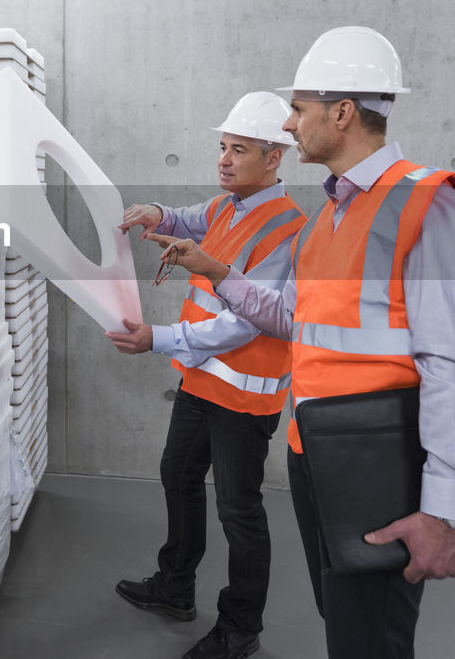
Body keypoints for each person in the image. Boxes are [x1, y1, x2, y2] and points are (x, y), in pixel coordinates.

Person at [146, 26, 455, 659]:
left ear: (342, 112)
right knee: (343, 622)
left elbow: (450, 367)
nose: (288, 121)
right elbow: (294, 320)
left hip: (377, 465)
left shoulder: (427, 206)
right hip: (315, 451)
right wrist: (219, 273)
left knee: (370, 641)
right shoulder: (333, 212)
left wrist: (446, 510)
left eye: (298, 109)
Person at [105, 91, 307, 659]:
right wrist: (156, 214)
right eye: (222, 147)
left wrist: (159, 340)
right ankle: (175, 587)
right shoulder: (226, 207)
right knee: (178, 476)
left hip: (244, 396)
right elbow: (188, 219)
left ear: (274, 158)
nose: (223, 159)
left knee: (238, 511)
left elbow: (247, 325)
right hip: (202, 382)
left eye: (238, 149)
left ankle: (240, 628)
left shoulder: (286, 228)